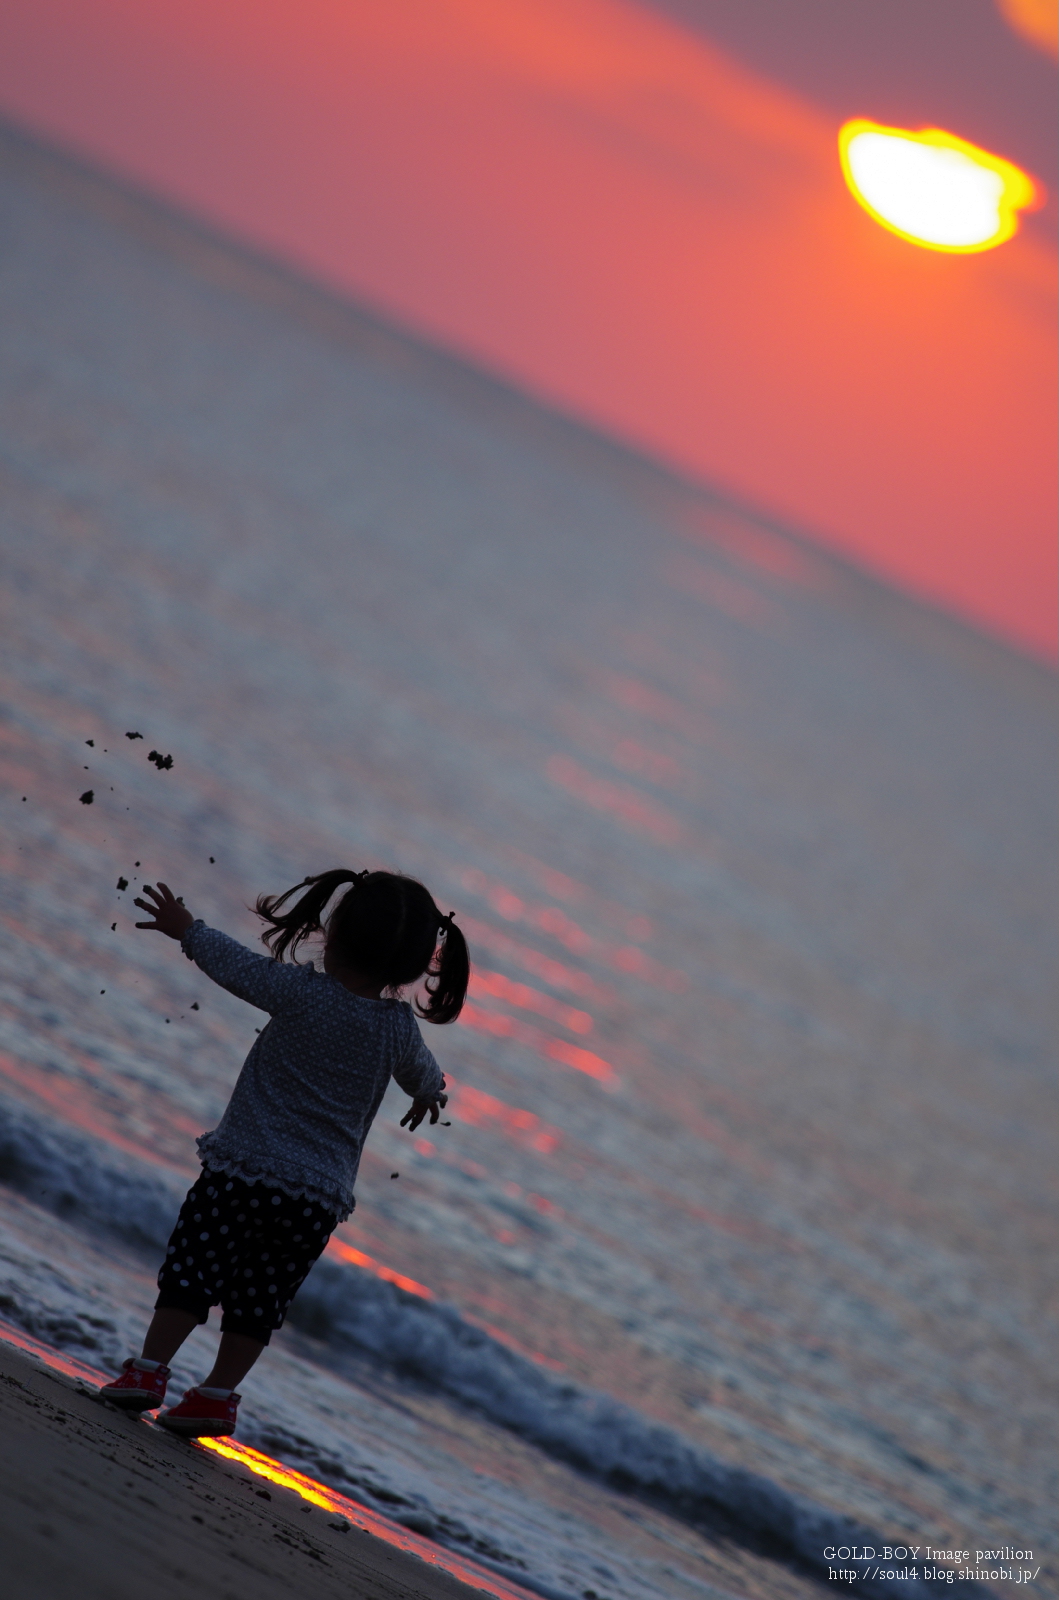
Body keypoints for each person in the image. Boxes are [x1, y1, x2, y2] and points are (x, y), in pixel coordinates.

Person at [99, 867, 467, 1437]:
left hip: (245, 1170)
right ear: (412, 966)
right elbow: (425, 1074)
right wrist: (430, 1094)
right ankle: (216, 1397)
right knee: (259, 1301)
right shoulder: (397, 1030)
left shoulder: (302, 992)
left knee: (192, 1273)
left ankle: (148, 1371)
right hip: (315, 1199)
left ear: (333, 934)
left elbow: (235, 966)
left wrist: (187, 928)